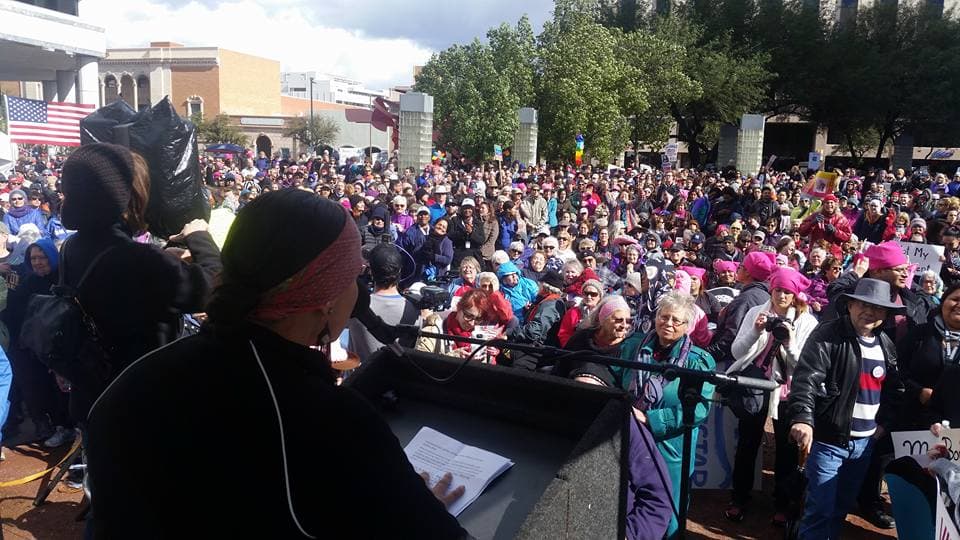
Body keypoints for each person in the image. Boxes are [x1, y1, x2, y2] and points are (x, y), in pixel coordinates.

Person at [86, 190, 468, 538]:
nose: (360, 289)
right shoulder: (335, 422)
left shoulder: (131, 384)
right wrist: (410, 509)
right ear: (326, 299)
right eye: (354, 275)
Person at [56, 144, 222, 427]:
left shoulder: (72, 247)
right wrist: (199, 237)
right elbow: (212, 289)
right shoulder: (139, 259)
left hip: (93, 398)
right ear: (129, 197)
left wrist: (165, 258)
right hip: (142, 407)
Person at [788, 278, 905, 540]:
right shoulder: (828, 335)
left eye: (877, 308)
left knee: (840, 508)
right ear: (850, 305)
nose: (869, 312)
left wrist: (882, 426)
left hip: (865, 445)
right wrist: (804, 419)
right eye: (863, 304)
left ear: (885, 314)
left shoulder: (886, 345)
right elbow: (806, 379)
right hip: (829, 441)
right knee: (820, 509)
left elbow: (895, 391)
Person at [725, 268, 819, 526]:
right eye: (778, 290)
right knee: (747, 444)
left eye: (787, 291)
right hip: (755, 386)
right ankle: (739, 498)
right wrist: (756, 332)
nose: (781, 296)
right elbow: (736, 352)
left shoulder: (807, 322)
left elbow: (806, 367)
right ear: (771, 289)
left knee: (786, 449)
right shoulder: (757, 313)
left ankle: (782, 503)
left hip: (786, 392)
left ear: (795, 294)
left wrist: (789, 342)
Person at [347, 244, 420, 362]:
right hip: (392, 378)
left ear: (370, 270)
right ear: (400, 270)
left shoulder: (355, 305)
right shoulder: (414, 311)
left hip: (358, 378)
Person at [707, 251, 777, 368]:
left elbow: (731, 337)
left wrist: (706, 354)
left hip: (734, 362)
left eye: (740, 266)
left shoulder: (746, 299)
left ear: (748, 273)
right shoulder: (766, 294)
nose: (737, 269)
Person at [556, 278, 603, 347]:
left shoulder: (603, 314)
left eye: (593, 294)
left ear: (600, 296)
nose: (589, 297)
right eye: (586, 293)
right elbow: (564, 333)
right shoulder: (573, 312)